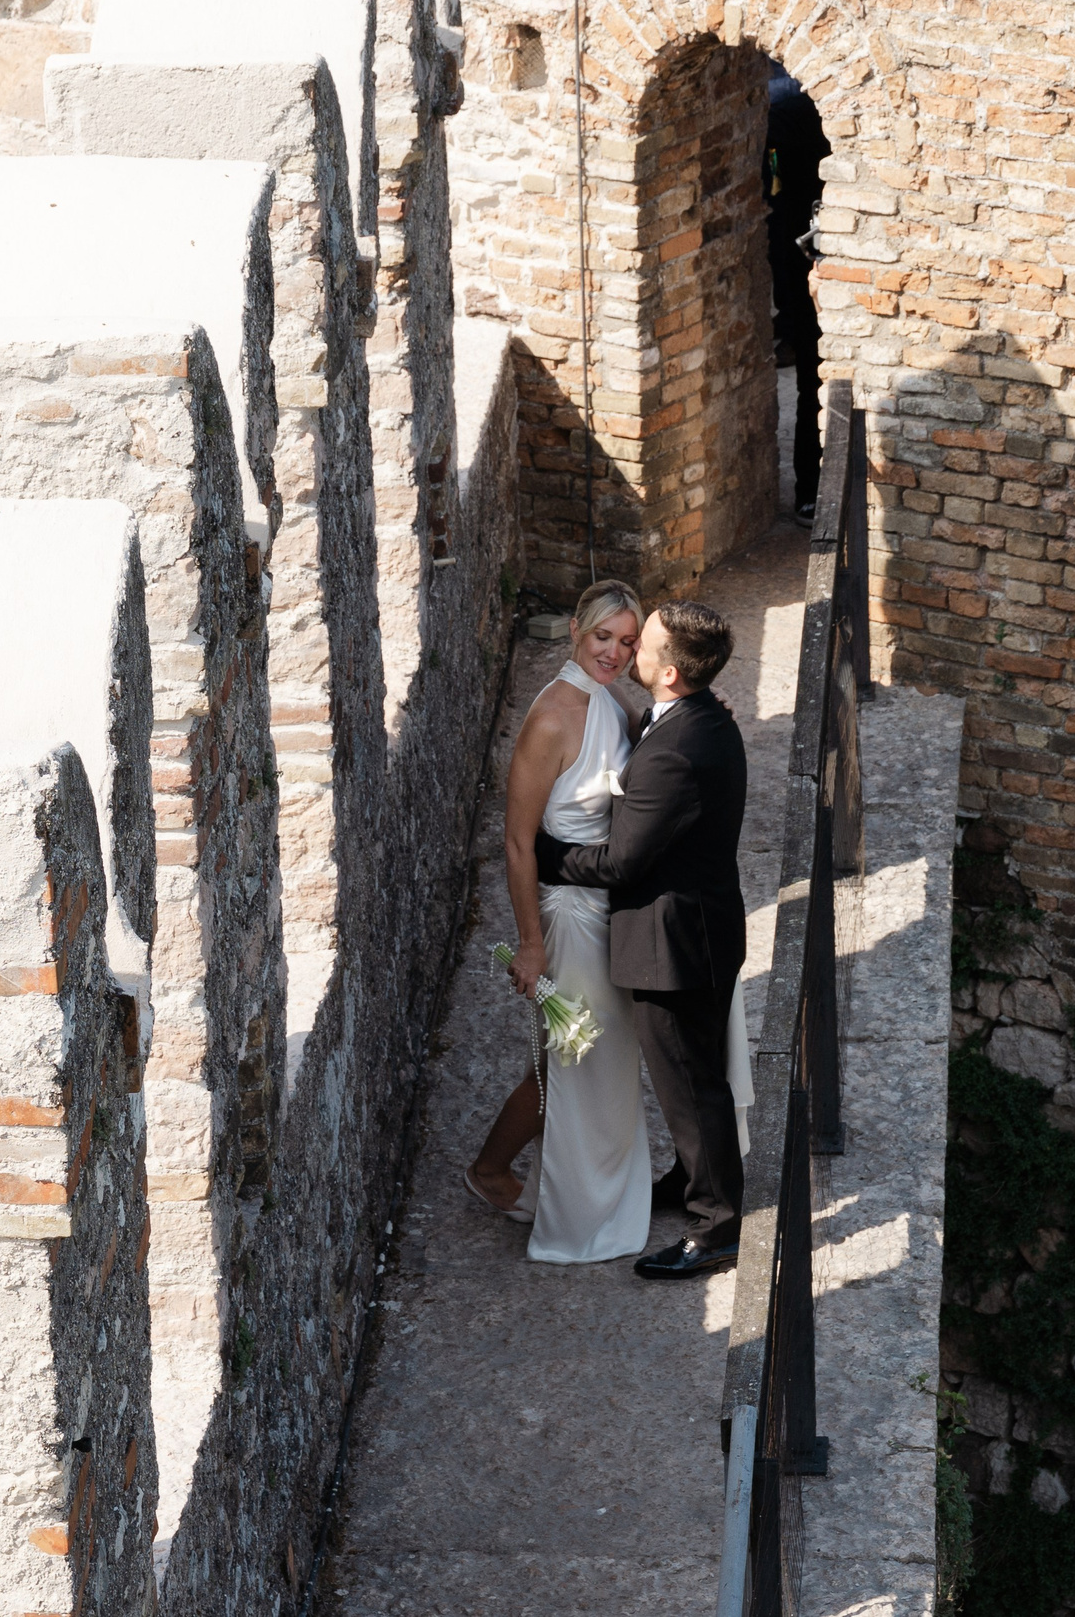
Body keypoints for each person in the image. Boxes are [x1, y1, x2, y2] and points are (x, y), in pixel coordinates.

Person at [537, 600, 751, 1280]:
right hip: (703, 928)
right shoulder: (696, 718)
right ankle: (692, 1174)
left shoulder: (676, 752)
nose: (631, 653)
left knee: (691, 1085)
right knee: (693, 1076)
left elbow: (621, 862)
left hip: (676, 947)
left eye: (644, 645)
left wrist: (548, 856)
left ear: (670, 672)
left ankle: (716, 1225)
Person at [462, 580, 656, 1264]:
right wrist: (530, 943)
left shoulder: (611, 698)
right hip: (568, 916)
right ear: (575, 627)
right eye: (604, 636)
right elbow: (517, 841)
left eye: (628, 641)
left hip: (604, 905)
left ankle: (499, 1170)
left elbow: (649, 751)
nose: (615, 651)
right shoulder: (551, 718)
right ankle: (543, 1193)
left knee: (571, 1061)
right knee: (579, 1061)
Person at [766, 68, 831, 523]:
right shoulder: (791, 104)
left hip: (799, 251)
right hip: (808, 252)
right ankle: (812, 491)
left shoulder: (780, 105)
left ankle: (810, 491)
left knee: (813, 378)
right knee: (815, 378)